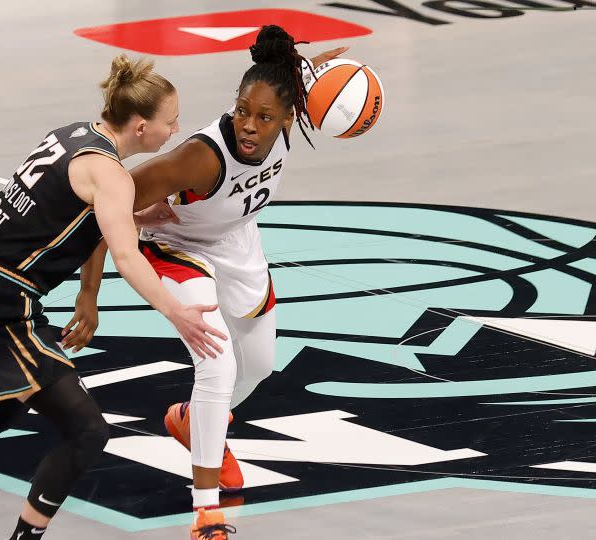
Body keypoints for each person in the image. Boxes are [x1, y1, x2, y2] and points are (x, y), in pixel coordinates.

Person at [0, 54, 227, 540]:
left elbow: (61, 213)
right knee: (87, 432)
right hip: (1, 305)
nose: (175, 131)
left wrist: (130, 221)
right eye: (170, 122)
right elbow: (129, 259)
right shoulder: (111, 176)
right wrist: (177, 312)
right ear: (139, 127)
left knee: (3, 403)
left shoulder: (71, 135)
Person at [127, 26, 348, 539]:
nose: (249, 124)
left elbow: (306, 82)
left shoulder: (290, 112)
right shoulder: (199, 158)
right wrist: (94, 284)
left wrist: (331, 75)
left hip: (235, 243)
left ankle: (190, 421)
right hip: (176, 246)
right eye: (241, 110)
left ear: (289, 117)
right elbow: (114, 196)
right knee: (217, 363)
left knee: (260, 368)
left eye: (264, 117)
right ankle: (206, 512)